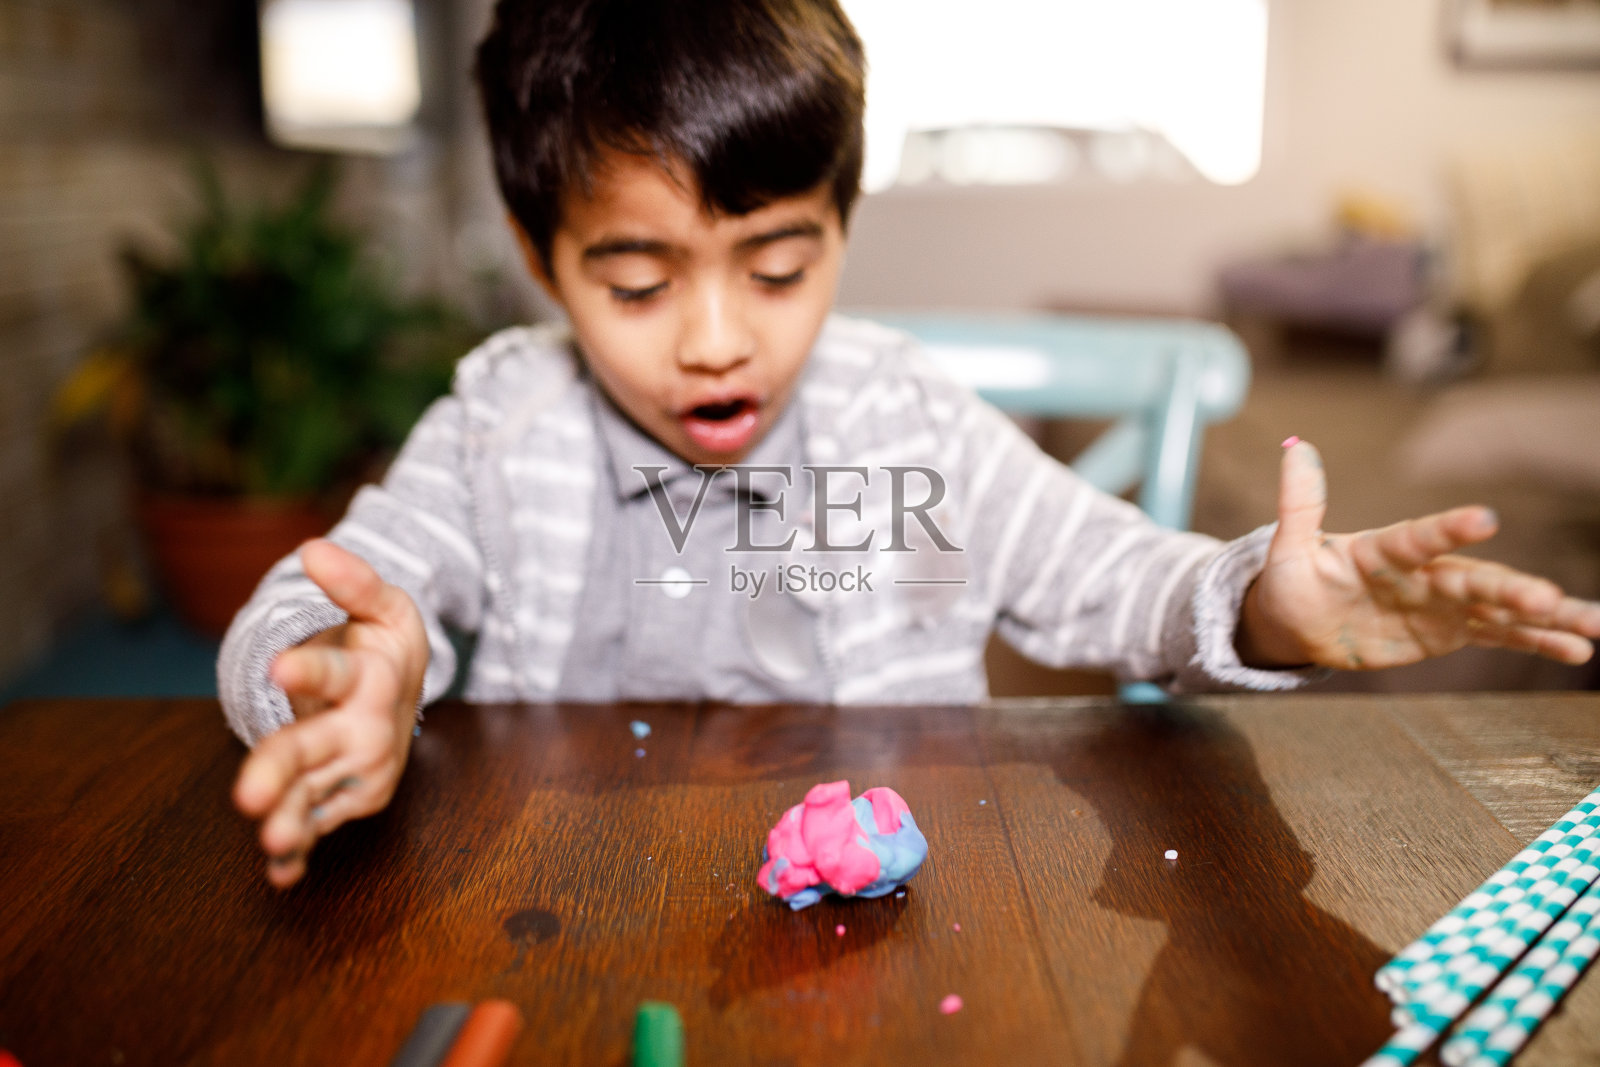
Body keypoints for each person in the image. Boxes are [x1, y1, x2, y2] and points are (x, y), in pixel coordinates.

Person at [223, 0, 1600, 889]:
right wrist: (337, 676)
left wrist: (1266, 603)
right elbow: (310, 604)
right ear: (541, 255)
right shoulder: (499, 423)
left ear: (844, 220)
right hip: (564, 908)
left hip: (905, 923)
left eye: (776, 268)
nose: (715, 340)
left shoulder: (908, 421)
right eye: (639, 284)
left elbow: (1115, 576)